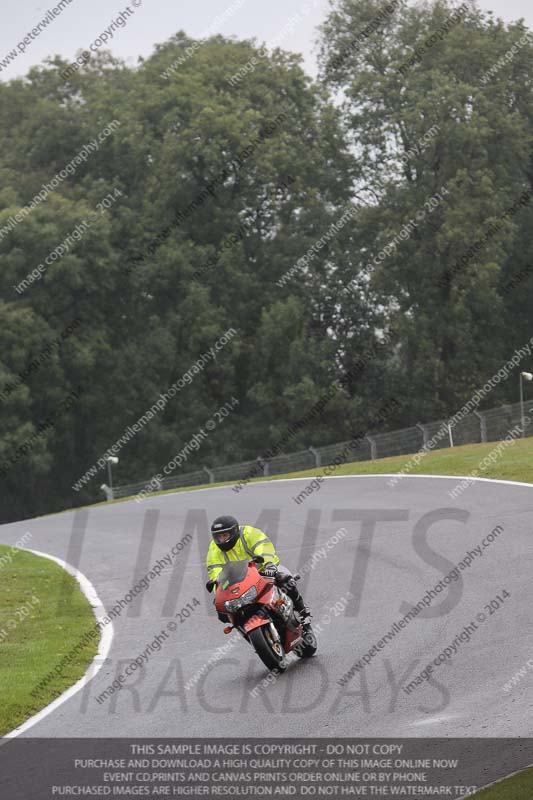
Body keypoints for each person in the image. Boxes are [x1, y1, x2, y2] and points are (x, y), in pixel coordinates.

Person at [206, 515, 311, 627]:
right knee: (224, 612)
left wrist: (269, 565)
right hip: (240, 581)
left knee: (285, 580)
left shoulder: (249, 533)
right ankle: (246, 628)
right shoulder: (214, 548)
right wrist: (220, 591)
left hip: (265, 570)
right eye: (218, 537)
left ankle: (302, 610)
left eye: (225, 535)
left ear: (234, 532)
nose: (222, 540)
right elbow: (214, 571)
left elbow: (263, 547)